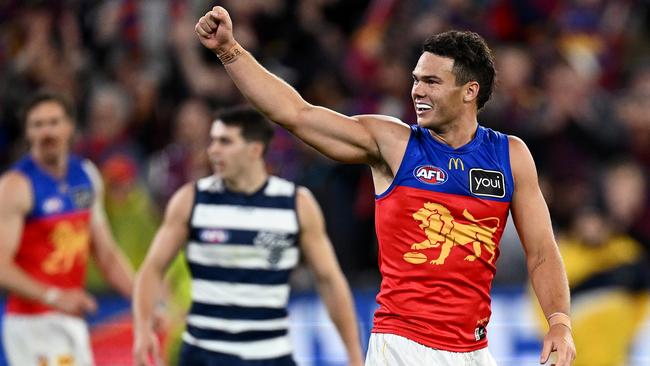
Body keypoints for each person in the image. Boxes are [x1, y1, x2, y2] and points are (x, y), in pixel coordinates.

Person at [194, 6, 577, 366]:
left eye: (431, 82)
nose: (417, 92)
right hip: (402, 346)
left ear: (469, 91)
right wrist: (230, 52)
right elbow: (297, 114)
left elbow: (542, 251)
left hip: (474, 350)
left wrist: (559, 320)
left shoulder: (510, 156)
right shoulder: (393, 145)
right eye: (415, 80)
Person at [132, 107, 364, 366]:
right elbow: (152, 269)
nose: (212, 150)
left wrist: (354, 354)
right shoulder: (190, 201)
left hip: (270, 356)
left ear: (255, 149)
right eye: (213, 140)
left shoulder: (296, 204)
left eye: (225, 141)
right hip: (204, 356)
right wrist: (142, 330)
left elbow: (330, 281)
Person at [0, 91, 135, 366]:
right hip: (31, 324)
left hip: (72, 317)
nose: (46, 132)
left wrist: (142, 300)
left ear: (70, 126)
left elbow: (106, 255)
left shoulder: (86, 175)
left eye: (53, 122)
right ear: (27, 133)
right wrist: (54, 297)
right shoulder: (16, 186)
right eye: (37, 125)